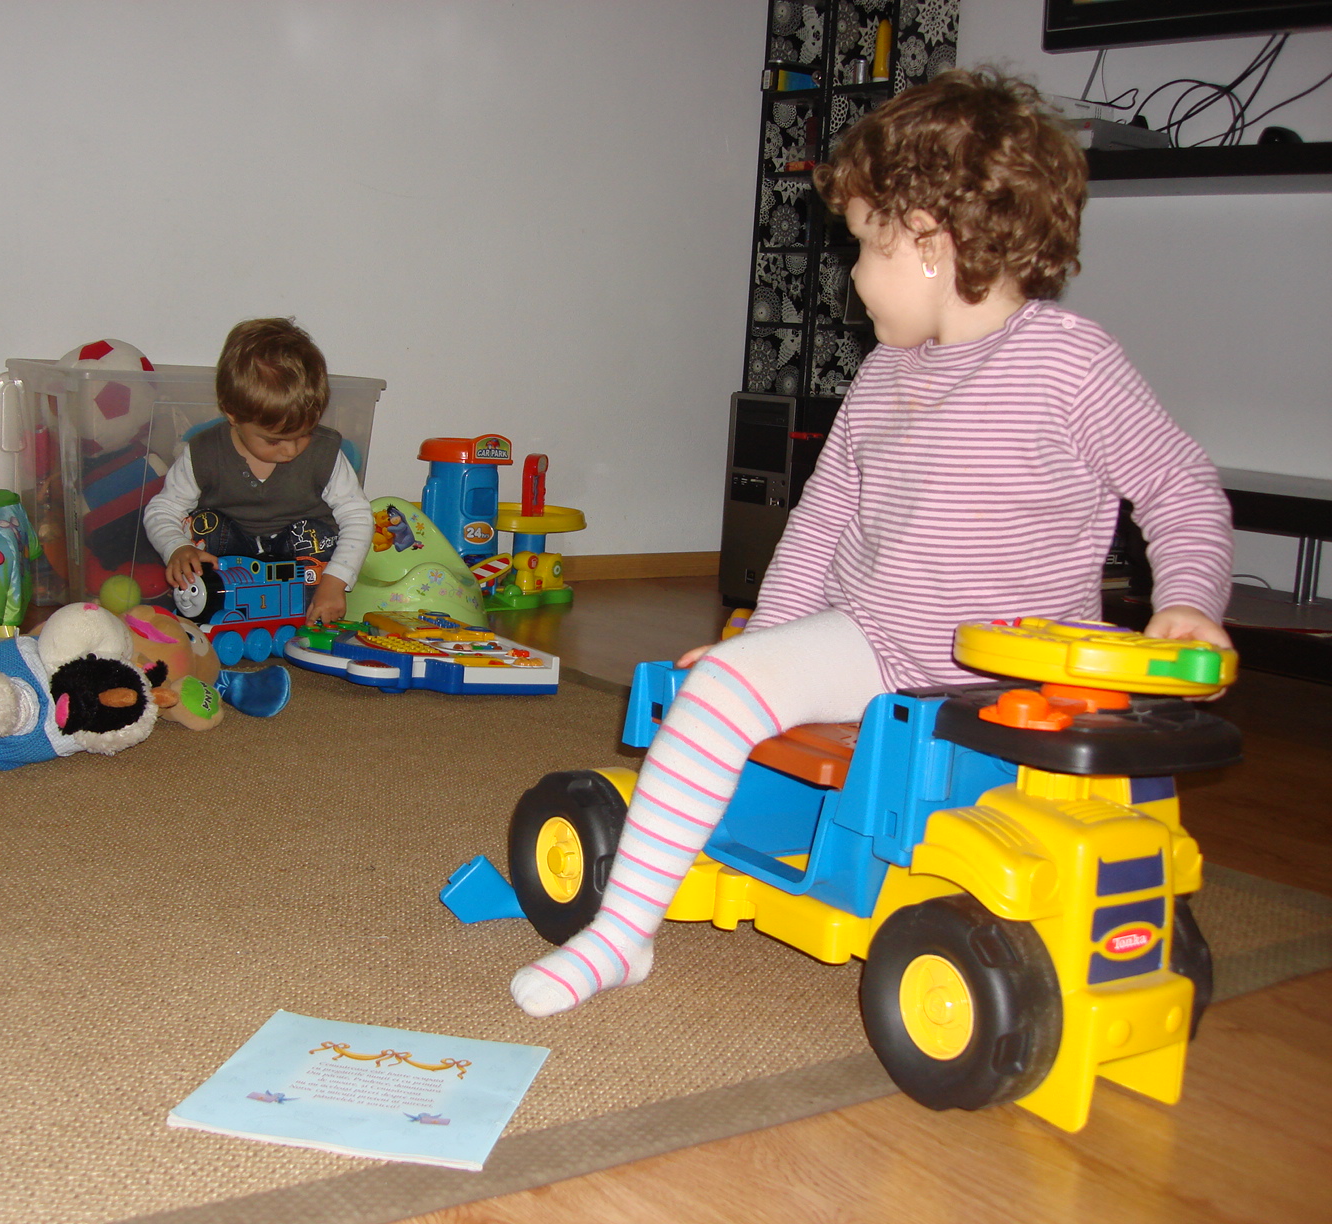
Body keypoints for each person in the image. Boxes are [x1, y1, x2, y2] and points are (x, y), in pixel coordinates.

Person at [510, 69, 1234, 1019]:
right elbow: (823, 518)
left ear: (931, 239)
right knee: (717, 691)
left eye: (863, 245)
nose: (852, 276)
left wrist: (1189, 602)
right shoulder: (887, 372)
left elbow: (1181, 486)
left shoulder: (1069, 362)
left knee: (1103, 813)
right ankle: (622, 933)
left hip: (1020, 678)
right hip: (878, 639)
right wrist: (766, 633)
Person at [143, 318, 372, 626]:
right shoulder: (203, 452)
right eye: (274, 440)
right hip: (230, 559)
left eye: (304, 434)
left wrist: (336, 580)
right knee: (203, 524)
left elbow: (357, 516)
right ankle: (209, 607)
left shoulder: (325, 453)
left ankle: (308, 605)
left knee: (318, 534)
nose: (290, 450)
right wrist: (177, 547)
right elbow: (162, 509)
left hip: (297, 557)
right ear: (232, 413)